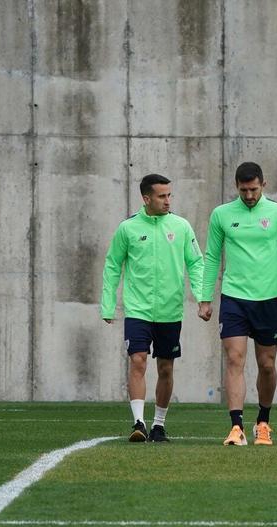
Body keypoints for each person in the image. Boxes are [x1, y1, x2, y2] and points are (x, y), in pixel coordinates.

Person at [198, 162, 277, 446]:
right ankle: (236, 427)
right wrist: (205, 298)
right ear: (236, 186)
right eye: (243, 190)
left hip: (269, 300)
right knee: (234, 359)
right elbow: (211, 258)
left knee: (266, 365)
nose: (248, 195)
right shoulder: (221, 214)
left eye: (253, 189)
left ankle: (263, 422)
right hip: (234, 298)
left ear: (264, 184)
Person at [101, 174, 204, 442]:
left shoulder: (181, 226)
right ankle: (138, 423)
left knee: (166, 368)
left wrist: (202, 298)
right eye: (162, 196)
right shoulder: (128, 228)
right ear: (146, 198)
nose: (168, 200)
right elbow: (113, 265)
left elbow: (196, 263)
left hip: (170, 311)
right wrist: (108, 305)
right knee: (138, 360)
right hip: (138, 310)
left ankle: (159, 425)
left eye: (170, 195)